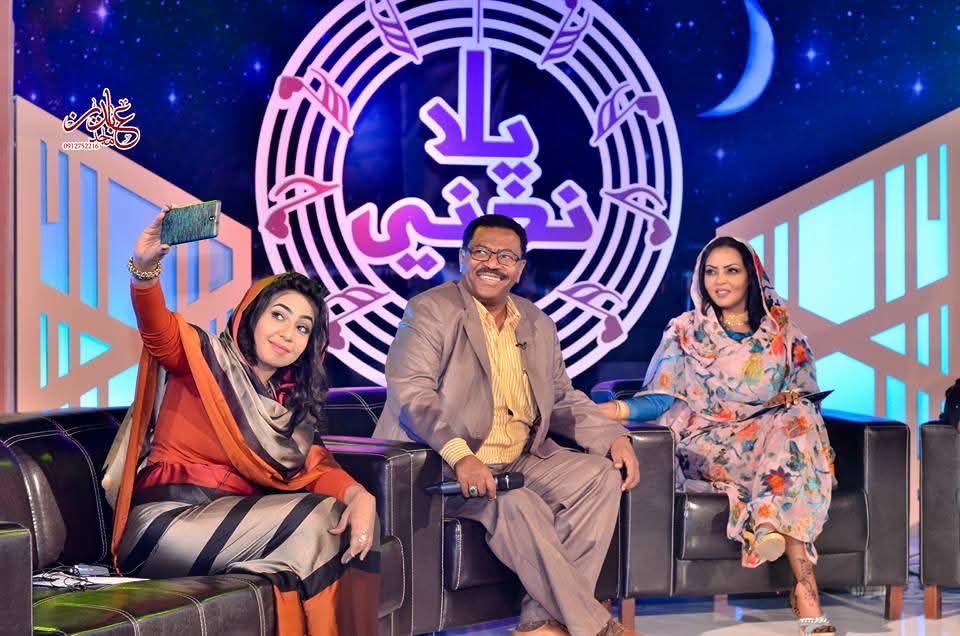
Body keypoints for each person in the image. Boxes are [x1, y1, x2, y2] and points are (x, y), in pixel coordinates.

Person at [102, 207, 379, 636]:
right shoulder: (202, 360)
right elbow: (157, 329)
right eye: (278, 315)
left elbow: (319, 469)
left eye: (303, 328)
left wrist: (361, 497)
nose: (287, 334)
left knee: (331, 531)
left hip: (237, 525)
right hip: (166, 525)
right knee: (321, 519)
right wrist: (144, 269)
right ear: (251, 314)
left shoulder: (286, 408)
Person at [374, 214, 641, 636]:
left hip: (517, 458)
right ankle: (594, 628)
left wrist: (613, 437)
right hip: (441, 465)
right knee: (517, 503)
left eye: (505, 257)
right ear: (463, 257)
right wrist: (462, 456)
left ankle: (541, 623)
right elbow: (413, 394)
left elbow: (561, 396)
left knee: (599, 477)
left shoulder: (536, 323)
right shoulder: (431, 310)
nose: (492, 264)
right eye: (481, 252)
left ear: (520, 268)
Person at [599, 236, 836, 635]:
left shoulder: (785, 334)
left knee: (798, 419)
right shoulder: (685, 331)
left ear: (751, 277)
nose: (719, 281)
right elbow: (660, 398)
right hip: (708, 442)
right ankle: (799, 581)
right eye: (711, 272)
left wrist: (787, 401)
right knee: (794, 455)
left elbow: (808, 396)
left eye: (731, 271)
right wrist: (609, 411)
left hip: (772, 444)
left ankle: (795, 572)